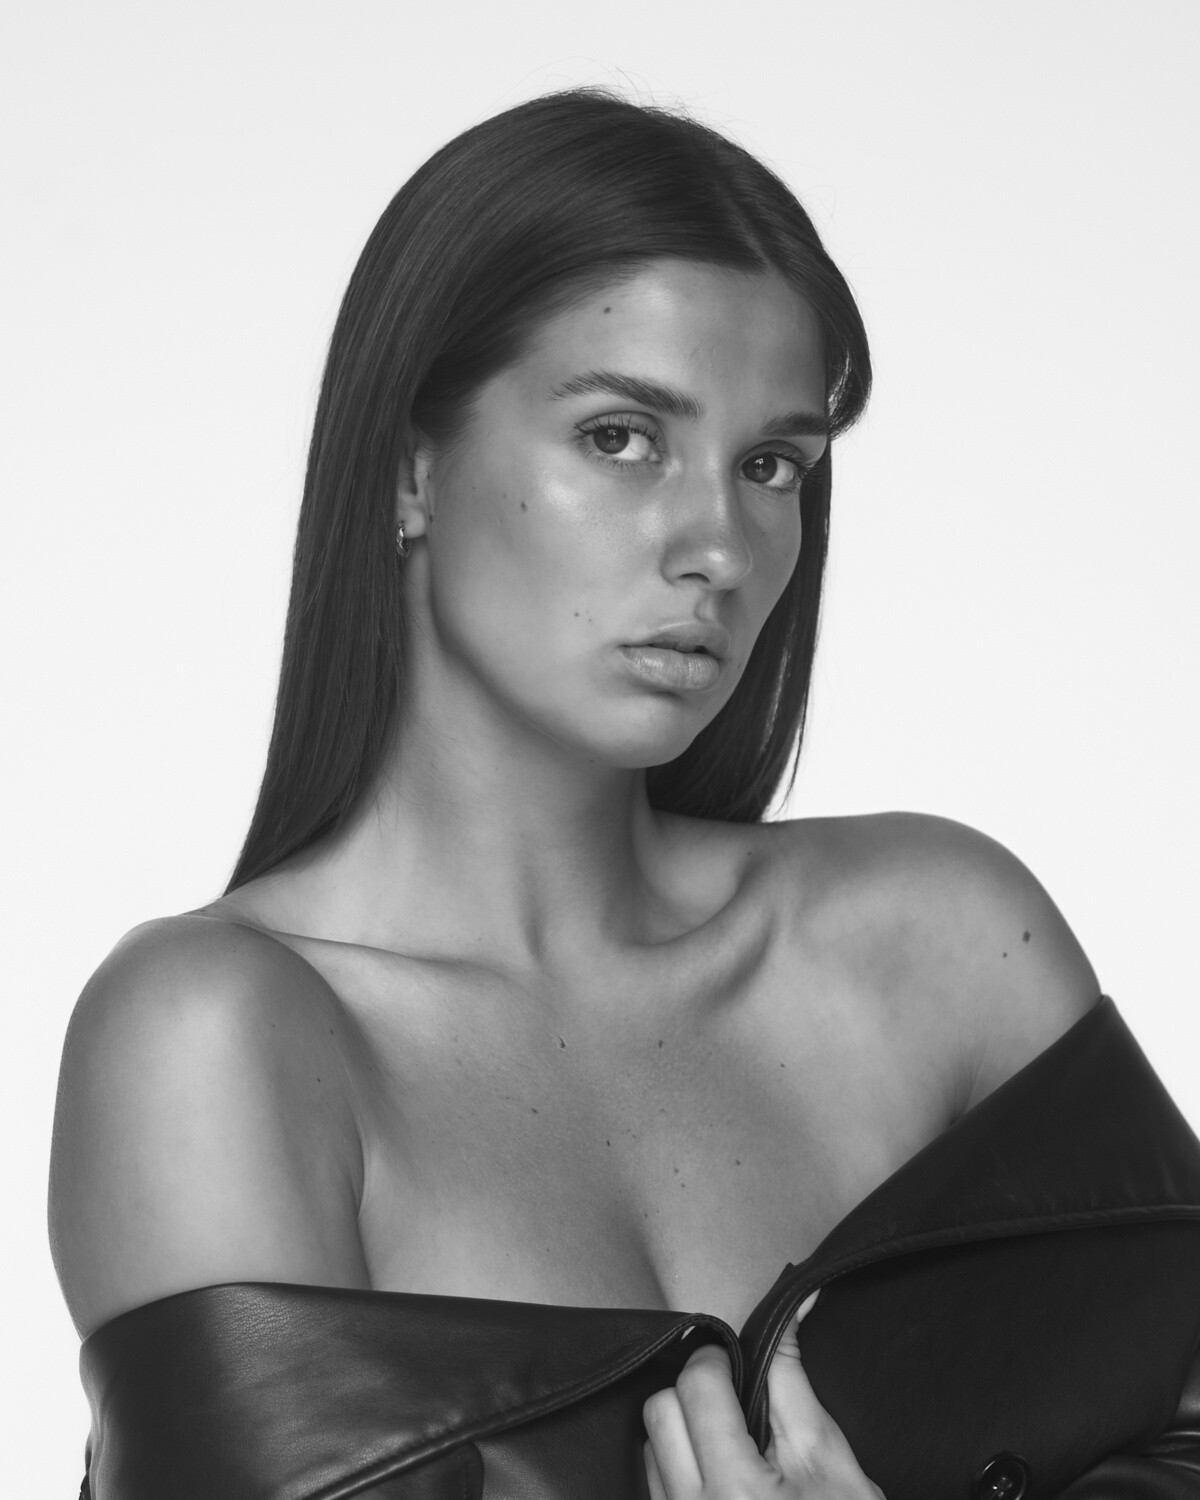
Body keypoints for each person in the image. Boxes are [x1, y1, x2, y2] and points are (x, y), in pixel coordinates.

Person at [48, 88, 1200, 1500]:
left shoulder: (942, 945)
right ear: (410, 468)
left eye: (771, 465)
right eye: (620, 437)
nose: (721, 544)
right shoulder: (222, 1041)